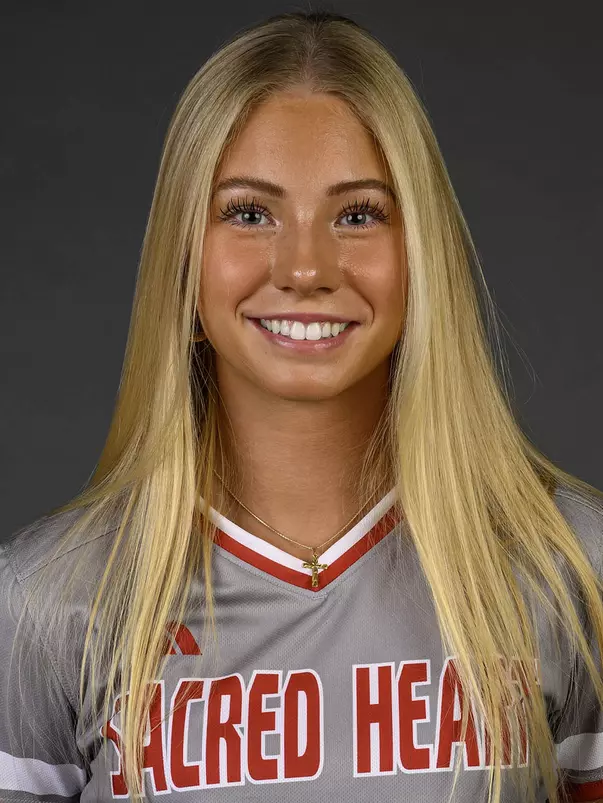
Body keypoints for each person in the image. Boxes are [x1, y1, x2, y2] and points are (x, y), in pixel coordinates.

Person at [1, 10, 602, 803]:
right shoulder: (49, 602)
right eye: (249, 212)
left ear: (420, 251)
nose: (305, 266)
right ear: (185, 258)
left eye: (357, 214)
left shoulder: (566, 568)